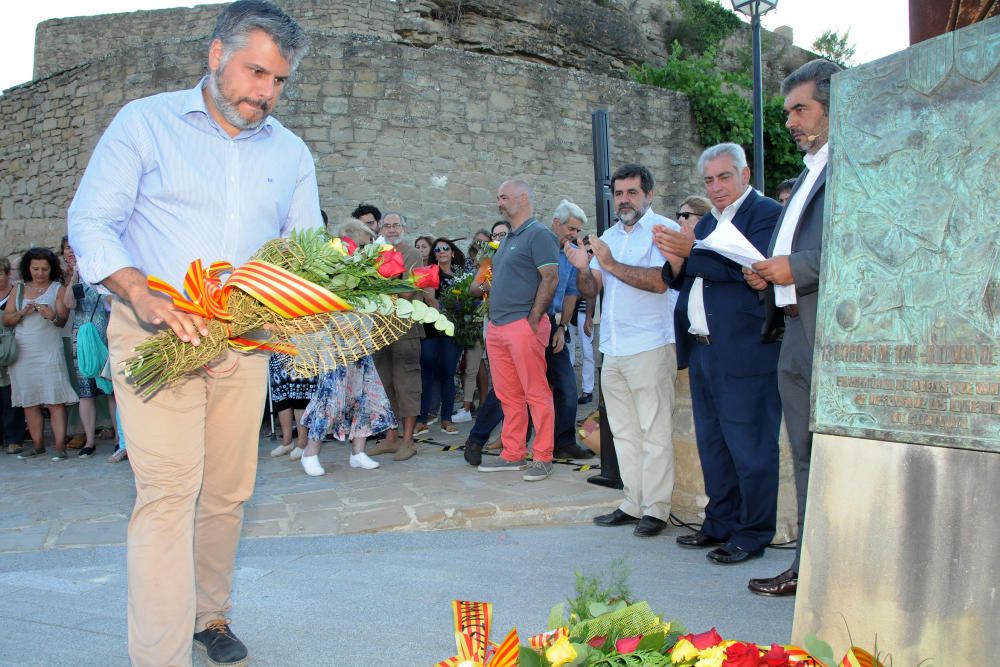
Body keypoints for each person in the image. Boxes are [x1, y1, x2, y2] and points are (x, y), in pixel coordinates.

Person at [67, 2, 320, 664]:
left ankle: (211, 615)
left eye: (279, 81)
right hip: (156, 336)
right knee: (168, 494)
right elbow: (91, 222)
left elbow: (305, 246)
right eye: (254, 71)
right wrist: (140, 292)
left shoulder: (291, 153)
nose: (264, 93)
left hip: (244, 341)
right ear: (215, 55)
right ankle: (159, 656)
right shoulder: (144, 124)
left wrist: (317, 290)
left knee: (228, 492)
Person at [654, 143, 783, 565]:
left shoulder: (765, 214)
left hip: (746, 353)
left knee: (751, 448)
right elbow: (685, 277)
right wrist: (675, 260)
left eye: (724, 177)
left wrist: (692, 253)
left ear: (745, 175)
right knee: (714, 447)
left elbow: (752, 269)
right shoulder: (711, 220)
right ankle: (720, 523)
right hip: (706, 351)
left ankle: (753, 532)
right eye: (709, 180)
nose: (716, 187)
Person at [743, 58, 842, 597]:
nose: (790, 121)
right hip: (794, 329)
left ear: (834, 106)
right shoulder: (810, 172)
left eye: (801, 109)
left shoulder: (851, 166)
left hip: (829, 332)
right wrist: (770, 277)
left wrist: (794, 270)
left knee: (826, 457)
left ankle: (826, 572)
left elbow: (860, 245)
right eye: (787, 112)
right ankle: (809, 569)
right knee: (803, 455)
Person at [565, 164, 679, 537]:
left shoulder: (664, 232)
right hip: (612, 347)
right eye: (618, 193)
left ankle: (657, 509)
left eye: (632, 192)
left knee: (655, 432)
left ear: (649, 194)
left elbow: (660, 283)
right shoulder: (609, 235)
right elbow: (591, 289)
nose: (624, 199)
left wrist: (609, 262)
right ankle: (632, 502)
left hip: (650, 344)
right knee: (625, 432)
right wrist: (584, 268)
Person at [298, 220, 396, 476]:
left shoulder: (365, 271)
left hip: (360, 343)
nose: (366, 251)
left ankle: (358, 452)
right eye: (362, 245)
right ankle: (310, 453)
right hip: (335, 345)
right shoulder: (328, 268)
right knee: (330, 397)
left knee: (366, 395)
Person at [477, 179, 559, 481]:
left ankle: (543, 455)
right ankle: (513, 452)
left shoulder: (538, 234)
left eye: (504, 197)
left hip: (522, 326)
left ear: (523, 198)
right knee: (508, 394)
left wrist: (534, 318)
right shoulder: (508, 239)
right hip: (498, 327)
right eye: (498, 197)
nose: (499, 202)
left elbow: (550, 277)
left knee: (535, 392)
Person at [3, 248, 78, 460]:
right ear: (28, 268)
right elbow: (6, 320)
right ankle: (37, 445)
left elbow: (62, 320)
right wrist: (21, 314)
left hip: (48, 350)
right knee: (29, 400)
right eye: (35, 268)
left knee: (55, 400)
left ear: (51, 269)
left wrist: (50, 314)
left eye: (44, 269)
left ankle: (60, 446)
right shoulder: (18, 291)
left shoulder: (58, 289)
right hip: (23, 352)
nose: (40, 273)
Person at [368, 212, 426, 462]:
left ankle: (408, 440)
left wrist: (377, 287)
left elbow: (407, 293)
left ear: (404, 228)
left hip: (405, 331)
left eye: (396, 226)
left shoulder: (412, 254)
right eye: (387, 226)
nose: (391, 230)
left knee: (407, 385)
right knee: (384, 385)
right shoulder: (374, 255)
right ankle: (391, 437)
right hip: (380, 330)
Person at [545, 199, 593, 460]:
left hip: (553, 325)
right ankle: (479, 438)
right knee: (515, 387)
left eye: (577, 231)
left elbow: (572, 294)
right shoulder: (538, 245)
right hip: (527, 324)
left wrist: (562, 327)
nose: (574, 235)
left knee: (566, 385)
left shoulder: (572, 253)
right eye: (571, 229)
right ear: (556, 223)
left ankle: (563, 442)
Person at [62, 239, 116, 458]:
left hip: (105, 334)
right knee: (86, 391)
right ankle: (89, 441)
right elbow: (69, 304)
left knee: (111, 390)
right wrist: (75, 277)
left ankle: (119, 440)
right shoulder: (75, 278)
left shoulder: (103, 274)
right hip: (82, 337)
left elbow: (111, 303)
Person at [415, 237, 465, 436]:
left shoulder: (462, 276)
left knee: (448, 374)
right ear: (434, 254)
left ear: (452, 252)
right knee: (426, 374)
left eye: (446, 248)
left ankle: (446, 419)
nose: (442, 252)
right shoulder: (429, 272)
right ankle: (421, 419)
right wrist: (449, 310)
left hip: (453, 332)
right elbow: (429, 298)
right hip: (431, 330)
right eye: (437, 249)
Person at [0, 258, 27, 455]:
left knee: (10, 392)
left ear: (8, 274)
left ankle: (13, 438)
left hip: (10, 347)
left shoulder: (15, 293)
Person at [267, 352, 314, 459]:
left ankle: (302, 443)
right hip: (278, 348)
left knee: (299, 394)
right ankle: (287, 442)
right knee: (281, 396)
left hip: (299, 345)